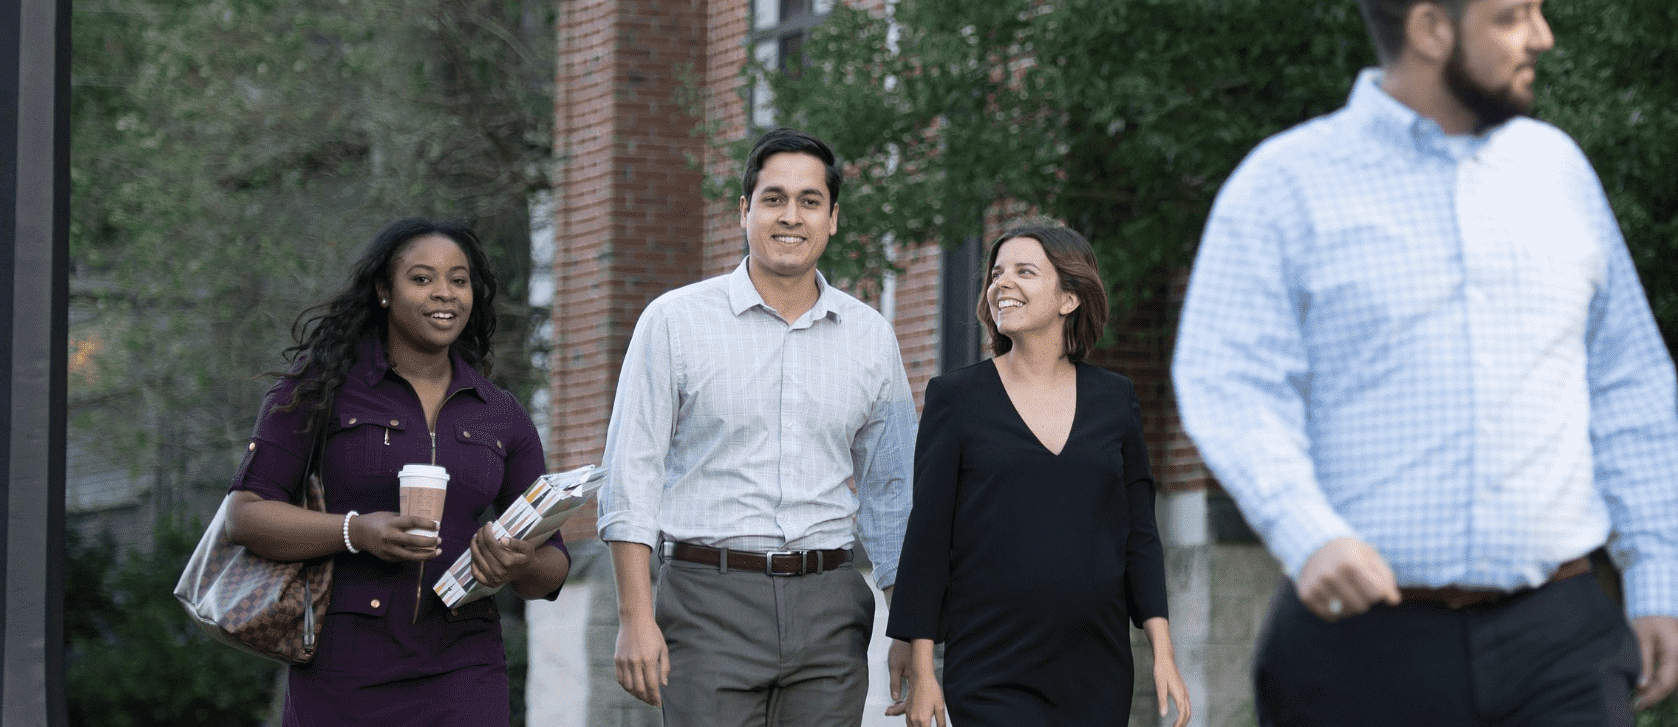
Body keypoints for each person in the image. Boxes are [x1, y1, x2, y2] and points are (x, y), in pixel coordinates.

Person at [1171, 0, 1678, 723]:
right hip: (1359, 652)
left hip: (1560, 637)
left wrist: (1657, 579)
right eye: (1515, 16)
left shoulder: (1558, 172)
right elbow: (1228, 382)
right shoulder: (1283, 186)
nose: (1542, 38)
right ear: (1430, 29)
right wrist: (1307, 531)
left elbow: (1629, 382)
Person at [595, 127, 918, 727]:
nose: (790, 216)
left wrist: (909, 632)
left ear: (833, 218)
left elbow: (893, 491)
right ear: (744, 211)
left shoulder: (870, 335)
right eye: (773, 199)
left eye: (809, 201)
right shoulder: (674, 322)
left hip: (831, 607)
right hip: (705, 599)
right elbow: (630, 475)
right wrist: (635, 618)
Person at [222, 218, 571, 726]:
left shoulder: (500, 412)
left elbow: (552, 568)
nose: (444, 294)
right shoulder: (319, 392)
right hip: (342, 668)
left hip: (464, 667)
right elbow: (244, 516)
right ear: (385, 291)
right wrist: (355, 531)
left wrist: (517, 565)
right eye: (422, 278)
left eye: (459, 279)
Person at [887, 225, 1193, 727]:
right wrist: (923, 667)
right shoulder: (957, 399)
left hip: (1097, 666)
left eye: (1024, 272)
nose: (1002, 283)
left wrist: (1163, 651)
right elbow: (928, 537)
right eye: (996, 273)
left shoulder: (1114, 401)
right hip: (991, 664)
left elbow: (1139, 534)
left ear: (1069, 296)